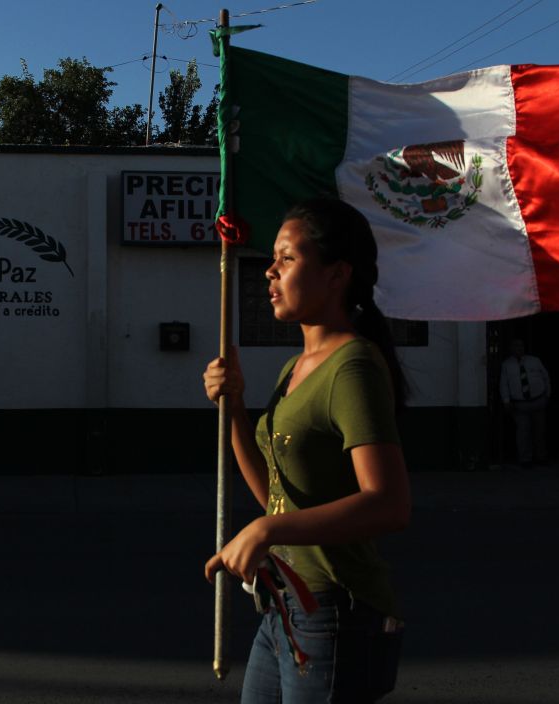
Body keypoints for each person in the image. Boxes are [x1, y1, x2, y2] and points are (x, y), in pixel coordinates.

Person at [203, 197, 410, 703]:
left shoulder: (352, 366)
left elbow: (388, 502)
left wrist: (268, 530)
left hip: (335, 611)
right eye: (273, 258)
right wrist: (235, 408)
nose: (269, 271)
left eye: (288, 258)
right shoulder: (293, 369)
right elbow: (273, 493)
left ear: (337, 274)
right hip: (283, 606)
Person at [498, 339, 551, 467]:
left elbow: (546, 377)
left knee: (540, 431)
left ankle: (541, 457)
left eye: (521, 345)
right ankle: (525, 459)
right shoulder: (506, 365)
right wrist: (506, 401)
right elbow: (504, 384)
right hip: (520, 404)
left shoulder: (534, 360)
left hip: (538, 400)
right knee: (523, 432)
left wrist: (547, 395)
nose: (519, 348)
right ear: (511, 348)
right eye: (515, 346)